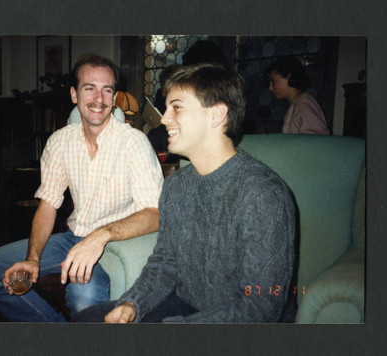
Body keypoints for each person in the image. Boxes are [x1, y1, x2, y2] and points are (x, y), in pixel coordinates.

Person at [72, 63, 298, 324]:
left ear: (216, 115)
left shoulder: (263, 194)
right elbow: (164, 263)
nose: (165, 118)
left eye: (176, 107)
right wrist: (133, 303)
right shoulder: (176, 186)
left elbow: (261, 306)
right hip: (186, 307)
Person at [0, 53, 164, 322]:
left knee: (84, 298)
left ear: (114, 98)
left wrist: (101, 235)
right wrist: (33, 258)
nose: (98, 99)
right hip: (73, 237)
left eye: (107, 90)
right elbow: (48, 206)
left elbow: (155, 213)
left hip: (117, 242)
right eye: (89, 88)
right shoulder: (59, 142)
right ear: (74, 94)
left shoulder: (134, 143)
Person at [266, 57, 330, 135]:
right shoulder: (296, 103)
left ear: (288, 76)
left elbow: (317, 139)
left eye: (273, 81)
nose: (270, 88)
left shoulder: (303, 102)